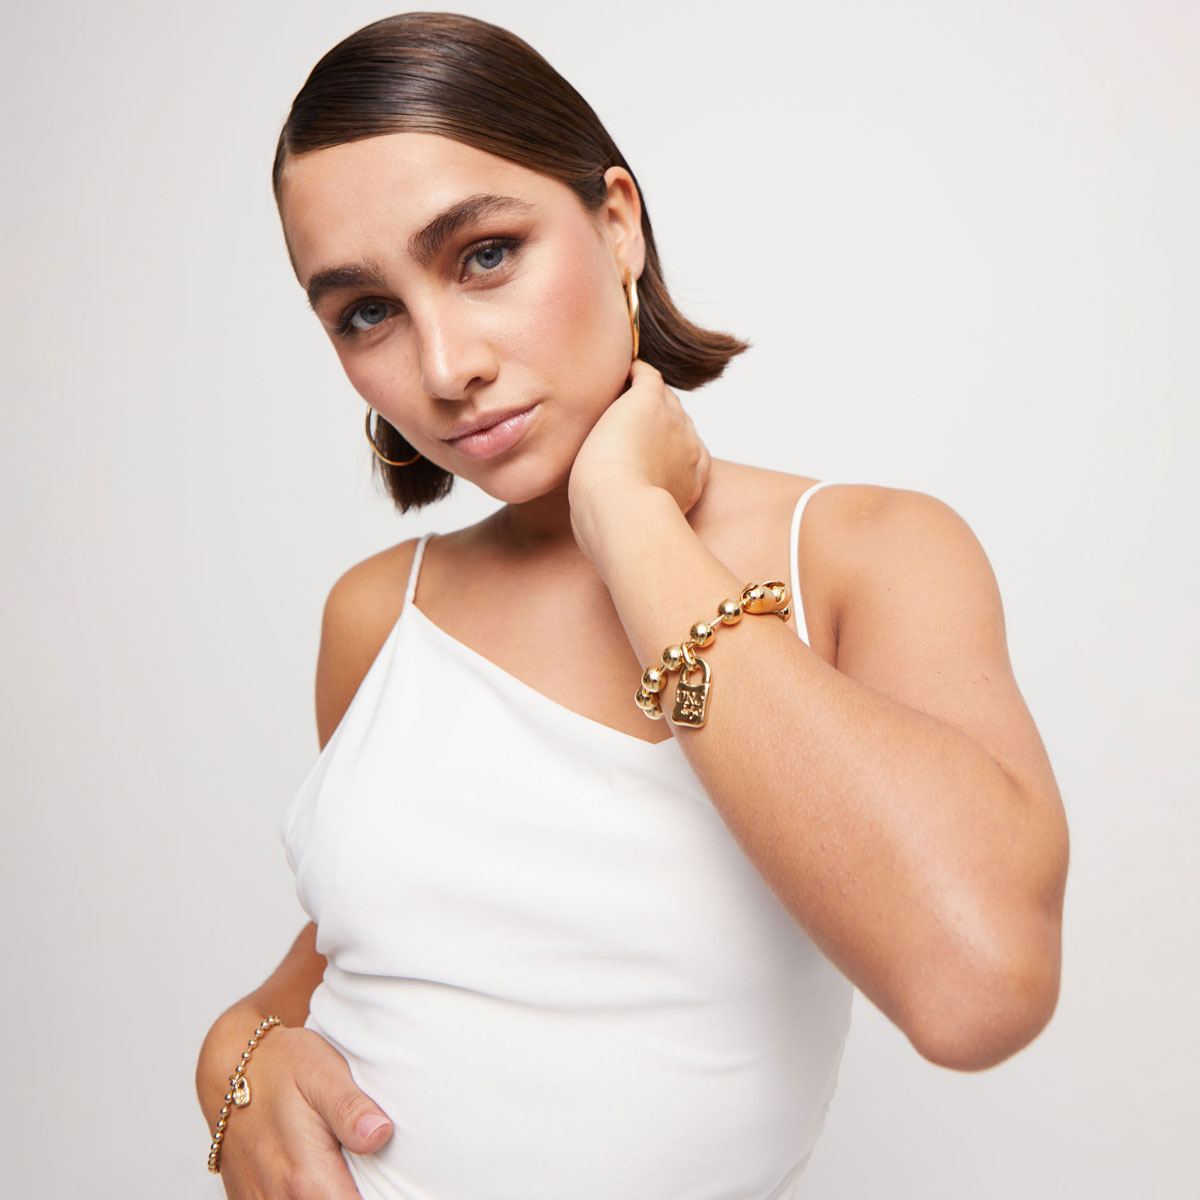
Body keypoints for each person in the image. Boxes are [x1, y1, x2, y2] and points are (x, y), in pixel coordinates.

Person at [195, 11, 1069, 1199]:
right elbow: (367, 958)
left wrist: (630, 517)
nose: (445, 367)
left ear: (617, 223)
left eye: (484, 255)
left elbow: (978, 987)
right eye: (366, 312)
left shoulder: (863, 556)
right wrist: (232, 1054)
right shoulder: (376, 615)